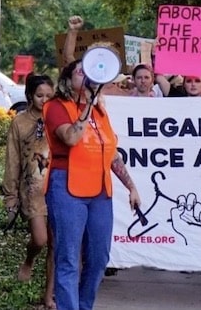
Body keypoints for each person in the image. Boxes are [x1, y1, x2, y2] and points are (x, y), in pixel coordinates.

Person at [43, 58, 142, 310]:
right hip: (67, 188)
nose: (87, 77)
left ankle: (84, 305)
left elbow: (111, 152)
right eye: (80, 72)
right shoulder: (56, 106)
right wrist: (86, 106)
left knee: (99, 258)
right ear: (67, 79)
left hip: (99, 191)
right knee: (68, 258)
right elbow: (72, 137)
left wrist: (131, 186)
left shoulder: (100, 110)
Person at [2, 73, 55, 309]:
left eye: (49, 95)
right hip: (31, 189)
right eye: (39, 95)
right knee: (41, 239)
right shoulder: (20, 122)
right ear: (29, 96)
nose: (44, 99)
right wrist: (10, 195)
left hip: (58, 186)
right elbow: (12, 161)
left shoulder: (59, 118)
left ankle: (48, 296)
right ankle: (29, 259)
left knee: (57, 244)